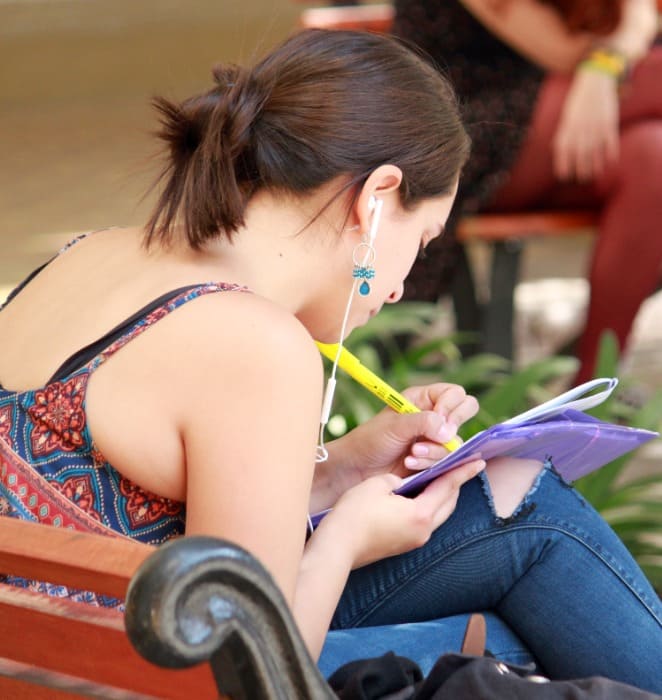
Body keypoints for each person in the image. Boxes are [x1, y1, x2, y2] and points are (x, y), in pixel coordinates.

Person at [0, 27, 660, 692]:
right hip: (122, 673)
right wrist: (345, 538)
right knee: (526, 548)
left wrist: (345, 467)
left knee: (517, 550)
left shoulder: (89, 253)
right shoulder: (254, 344)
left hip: (57, 644)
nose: (402, 285)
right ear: (376, 198)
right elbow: (244, 671)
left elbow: (150, 503)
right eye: (422, 240)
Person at [394, 0, 662, 384]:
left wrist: (602, 69)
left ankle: (592, 387)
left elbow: (641, 13)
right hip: (467, 129)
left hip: (572, 122)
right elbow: (563, 50)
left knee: (653, 157)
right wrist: (603, 67)